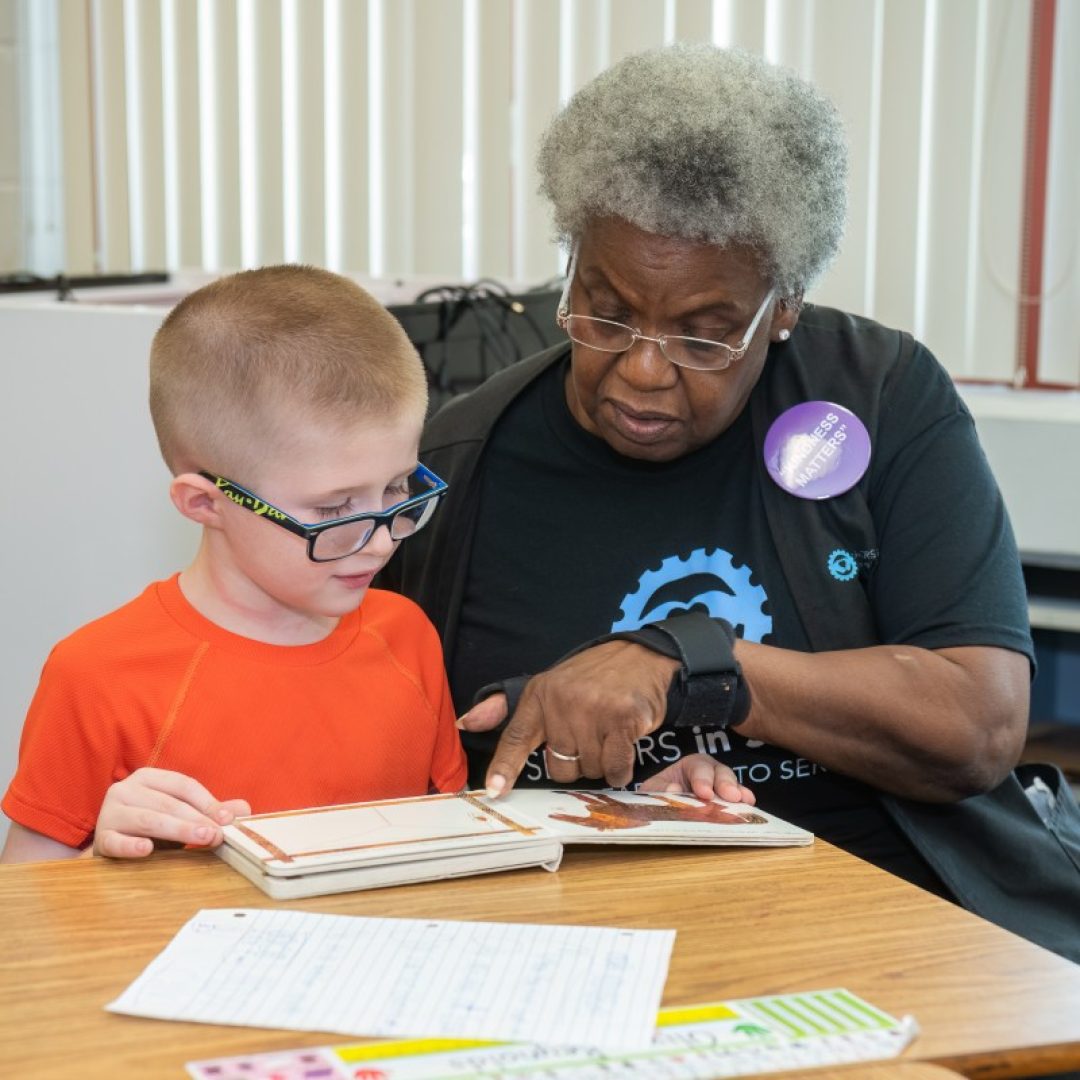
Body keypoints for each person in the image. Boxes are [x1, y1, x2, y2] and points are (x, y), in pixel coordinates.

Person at [380, 44, 1080, 956]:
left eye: (704, 336)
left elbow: (978, 725)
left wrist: (690, 665)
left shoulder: (878, 398)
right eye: (605, 308)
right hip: (576, 938)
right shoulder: (462, 459)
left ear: (782, 307)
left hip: (897, 917)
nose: (641, 369)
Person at [1, 265, 467, 864]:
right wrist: (98, 864)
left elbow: (453, 846)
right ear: (205, 504)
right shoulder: (97, 676)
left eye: (400, 487)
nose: (381, 542)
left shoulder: (406, 638)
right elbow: (27, 909)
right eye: (332, 508)